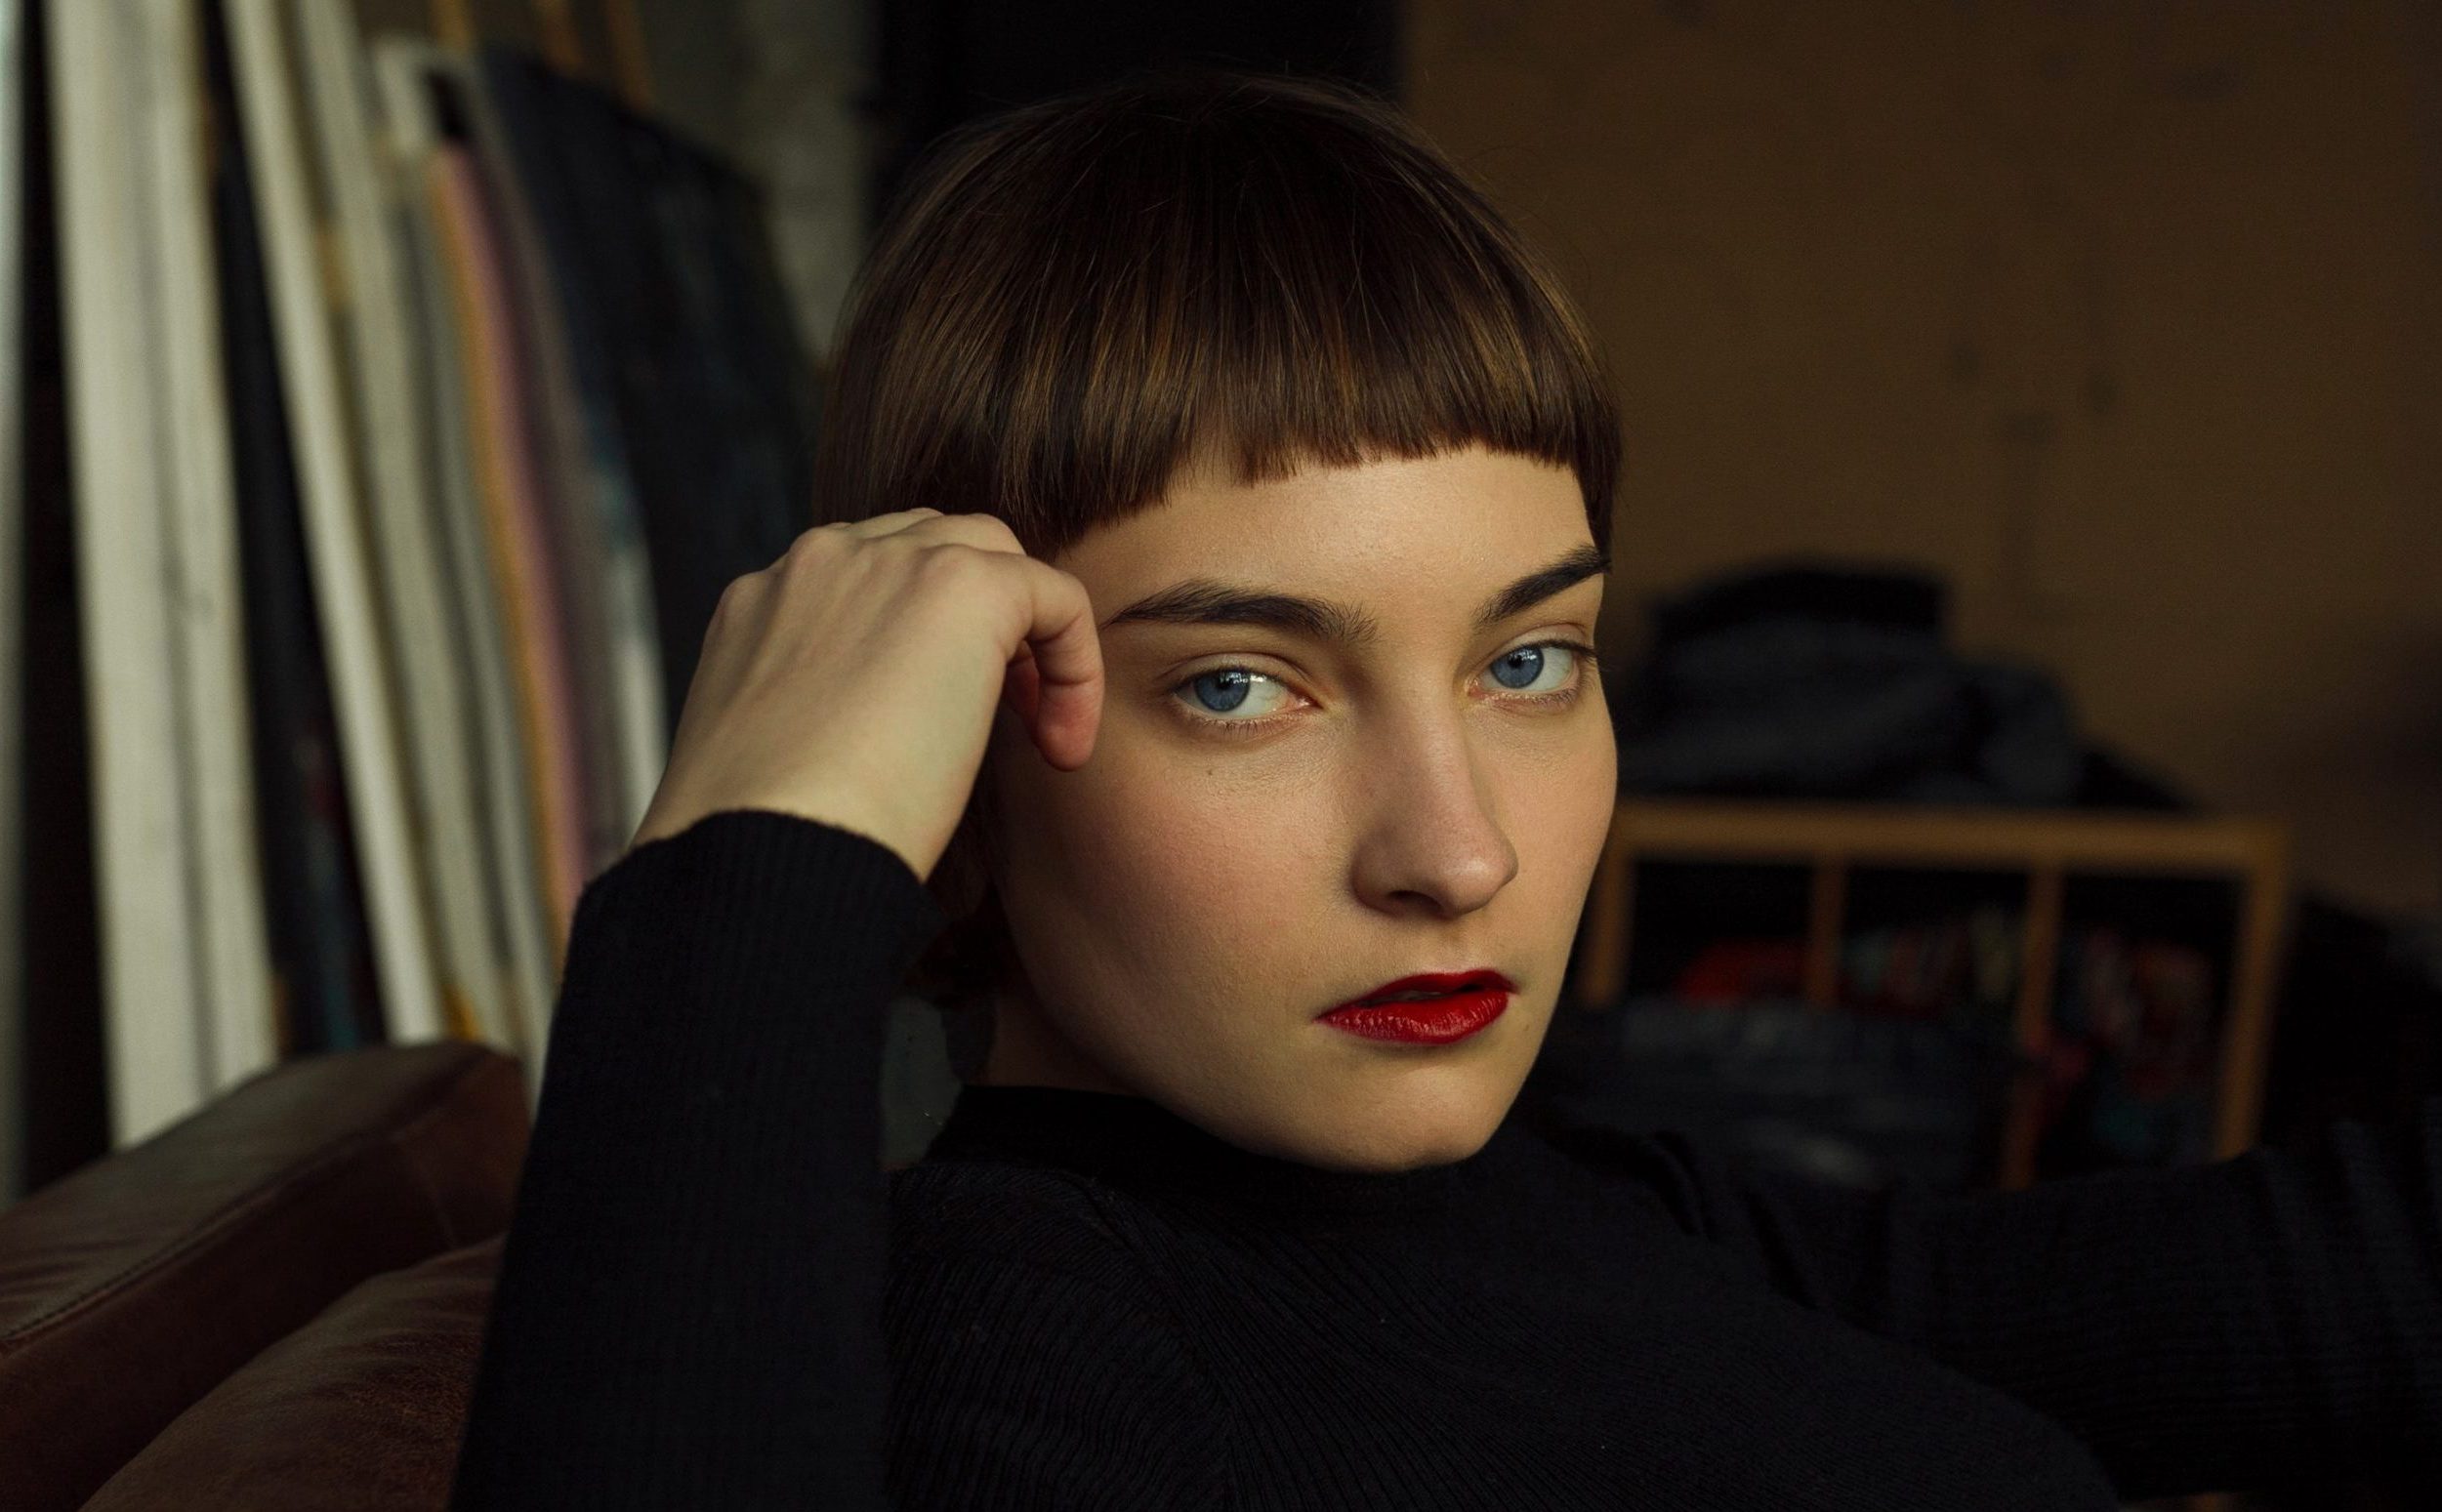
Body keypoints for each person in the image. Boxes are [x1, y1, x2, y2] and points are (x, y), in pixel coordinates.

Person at [447, 68, 2441, 1510]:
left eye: (1527, 659)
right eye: (1243, 684)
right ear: (952, 754)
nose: (1459, 849)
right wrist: (753, 852)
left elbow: (2332, 1284)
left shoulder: (1583, 1219)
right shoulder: (1028, 1353)